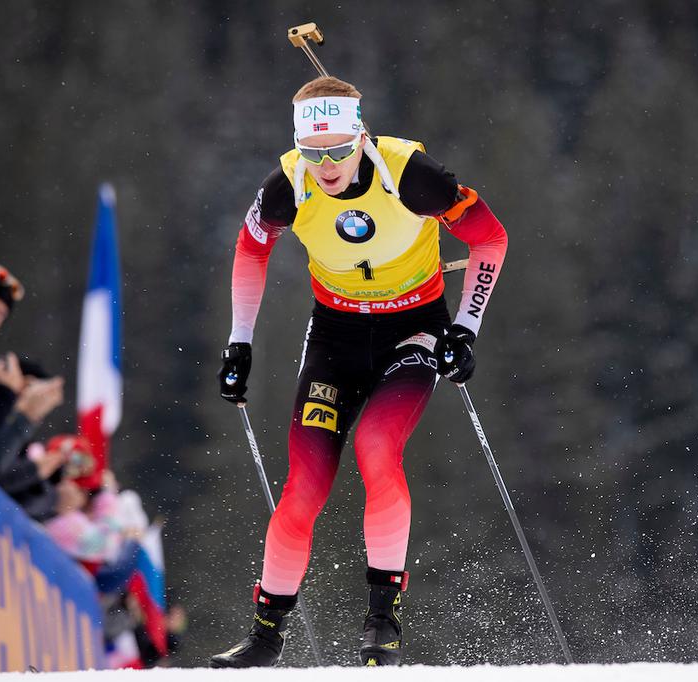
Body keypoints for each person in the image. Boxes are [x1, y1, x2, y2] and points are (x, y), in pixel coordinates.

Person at [210, 76, 508, 668]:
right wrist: (239, 343)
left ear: (361, 137)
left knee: (377, 447)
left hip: (414, 329)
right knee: (305, 486)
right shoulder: (287, 186)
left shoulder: (414, 176)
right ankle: (266, 638)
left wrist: (465, 330)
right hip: (336, 337)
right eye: (313, 152)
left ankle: (382, 626)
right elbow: (251, 248)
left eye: (338, 151)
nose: (325, 167)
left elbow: (490, 239)